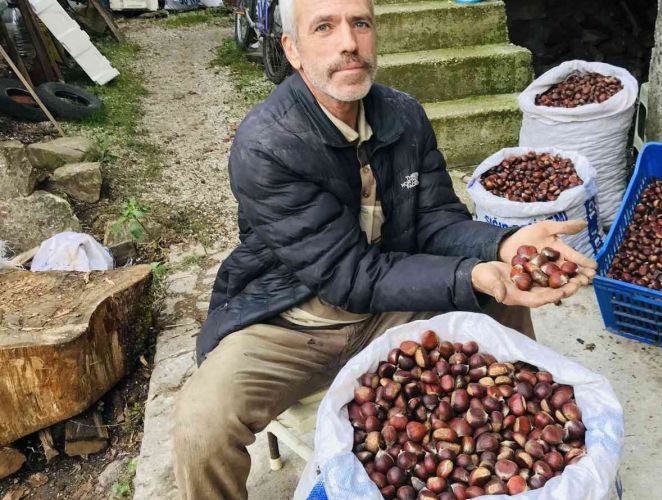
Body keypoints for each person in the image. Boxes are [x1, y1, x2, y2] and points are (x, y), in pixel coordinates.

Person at [171, 0, 597, 497]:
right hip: (294, 320)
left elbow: (437, 220)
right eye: (324, 27)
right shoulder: (267, 143)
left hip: (390, 305)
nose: (348, 42)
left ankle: (527, 442)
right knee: (200, 426)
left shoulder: (404, 116)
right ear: (292, 49)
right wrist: (468, 276)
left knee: (500, 300)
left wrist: (502, 245)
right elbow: (349, 275)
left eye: (361, 24)